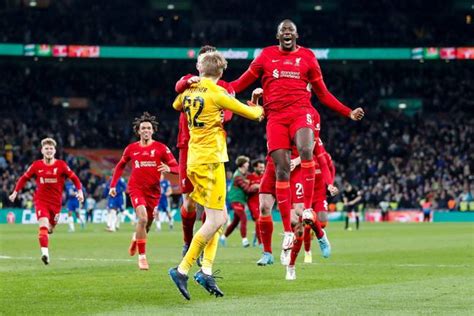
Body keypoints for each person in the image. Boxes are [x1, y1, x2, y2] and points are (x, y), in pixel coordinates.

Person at [231, 19, 364, 261]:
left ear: (297, 35)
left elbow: (322, 93)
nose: (287, 34)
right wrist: (218, 87)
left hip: (301, 113)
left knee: (305, 149)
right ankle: (286, 233)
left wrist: (347, 111)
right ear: (277, 36)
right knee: (281, 170)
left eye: (291, 31)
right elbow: (241, 82)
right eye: (283, 31)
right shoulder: (265, 56)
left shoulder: (308, 58)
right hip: (276, 119)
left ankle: (310, 210)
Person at [169, 50, 264, 300]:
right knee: (215, 220)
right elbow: (254, 115)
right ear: (221, 73)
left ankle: (206, 270)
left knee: (219, 217)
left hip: (194, 159)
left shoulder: (189, 91)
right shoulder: (218, 92)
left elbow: (176, 104)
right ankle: (182, 269)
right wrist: (258, 102)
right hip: (211, 160)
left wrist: (187, 84)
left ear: (200, 70)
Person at [174, 45, 235, 258]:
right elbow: (177, 90)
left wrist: (223, 117)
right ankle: (187, 241)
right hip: (186, 146)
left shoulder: (223, 86)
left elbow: (229, 112)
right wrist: (185, 83)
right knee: (189, 203)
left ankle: (199, 251)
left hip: (210, 149)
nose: (203, 64)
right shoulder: (189, 81)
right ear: (198, 63)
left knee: (210, 206)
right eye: (201, 60)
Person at [109, 112, 179, 270]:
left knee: (146, 225)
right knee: (142, 219)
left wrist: (169, 168)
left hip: (153, 191)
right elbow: (120, 165)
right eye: (143, 128)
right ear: (138, 131)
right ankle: (142, 258)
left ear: (153, 130)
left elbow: (178, 167)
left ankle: (136, 238)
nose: (146, 130)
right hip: (136, 188)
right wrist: (113, 185)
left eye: (148, 128)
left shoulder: (161, 148)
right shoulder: (131, 149)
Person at [9, 137, 84, 265]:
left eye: (51, 148)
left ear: (54, 151)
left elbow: (75, 178)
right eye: (46, 148)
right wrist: (15, 191)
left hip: (56, 204)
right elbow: (23, 178)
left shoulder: (61, 165)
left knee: (50, 228)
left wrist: (80, 191)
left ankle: (49, 234)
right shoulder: (36, 165)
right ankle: (45, 254)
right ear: (42, 150)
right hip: (41, 201)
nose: (49, 150)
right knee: (43, 226)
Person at [220, 155, 259, 247]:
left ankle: (223, 238)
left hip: (241, 200)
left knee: (235, 222)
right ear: (243, 164)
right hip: (235, 199)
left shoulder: (245, 174)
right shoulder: (237, 176)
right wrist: (257, 186)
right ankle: (244, 240)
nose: (248, 164)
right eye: (247, 162)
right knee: (243, 218)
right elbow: (247, 189)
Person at [246, 159, 265, 246]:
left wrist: (258, 186)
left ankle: (255, 239)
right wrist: (252, 188)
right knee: (258, 220)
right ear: (255, 167)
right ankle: (260, 242)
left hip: (262, 202)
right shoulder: (249, 177)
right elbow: (246, 189)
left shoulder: (264, 176)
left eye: (263, 167)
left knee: (261, 222)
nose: (262, 169)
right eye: (260, 167)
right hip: (252, 202)